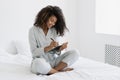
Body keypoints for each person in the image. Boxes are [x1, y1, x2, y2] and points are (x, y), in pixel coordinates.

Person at [29, 5, 79, 75]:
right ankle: (57, 71)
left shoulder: (54, 31)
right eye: (51, 20)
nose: (53, 24)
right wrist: (49, 47)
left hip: (53, 61)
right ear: (44, 17)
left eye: (55, 22)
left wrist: (60, 49)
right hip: (40, 61)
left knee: (75, 52)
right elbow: (34, 52)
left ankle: (52, 70)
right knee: (38, 63)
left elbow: (54, 52)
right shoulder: (33, 30)